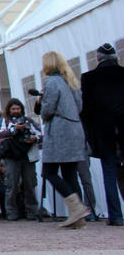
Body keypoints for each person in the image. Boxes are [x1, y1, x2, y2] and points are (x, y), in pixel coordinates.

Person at [37, 51, 90, 229]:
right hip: (75, 128)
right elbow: (80, 107)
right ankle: (78, 217)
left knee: (49, 171)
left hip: (60, 129)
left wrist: (42, 103)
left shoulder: (52, 82)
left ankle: (76, 208)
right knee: (70, 173)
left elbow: (47, 110)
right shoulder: (72, 81)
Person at [81, 43, 124, 227]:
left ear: (98, 58)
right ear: (115, 57)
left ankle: (116, 215)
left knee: (109, 173)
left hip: (104, 132)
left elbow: (86, 110)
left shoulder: (89, 78)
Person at [0, 98, 40, 220]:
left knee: (30, 184)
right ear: (9, 110)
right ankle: (11, 212)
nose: (16, 111)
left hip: (27, 156)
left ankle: (32, 211)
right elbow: (0, 135)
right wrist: (15, 129)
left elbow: (40, 133)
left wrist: (33, 138)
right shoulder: (5, 121)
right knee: (11, 185)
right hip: (11, 156)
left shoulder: (28, 121)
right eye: (13, 109)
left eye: (18, 108)